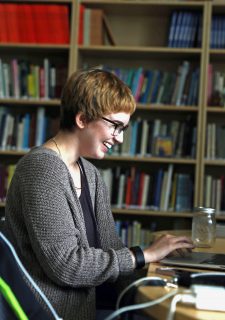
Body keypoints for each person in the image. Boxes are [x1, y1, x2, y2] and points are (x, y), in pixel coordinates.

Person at [4, 68, 194, 320]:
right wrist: (144, 255)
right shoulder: (41, 169)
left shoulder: (91, 175)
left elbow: (112, 251)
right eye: (115, 126)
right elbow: (67, 266)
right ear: (82, 119)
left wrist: (165, 271)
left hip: (89, 309)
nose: (120, 139)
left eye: (124, 128)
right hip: (55, 314)